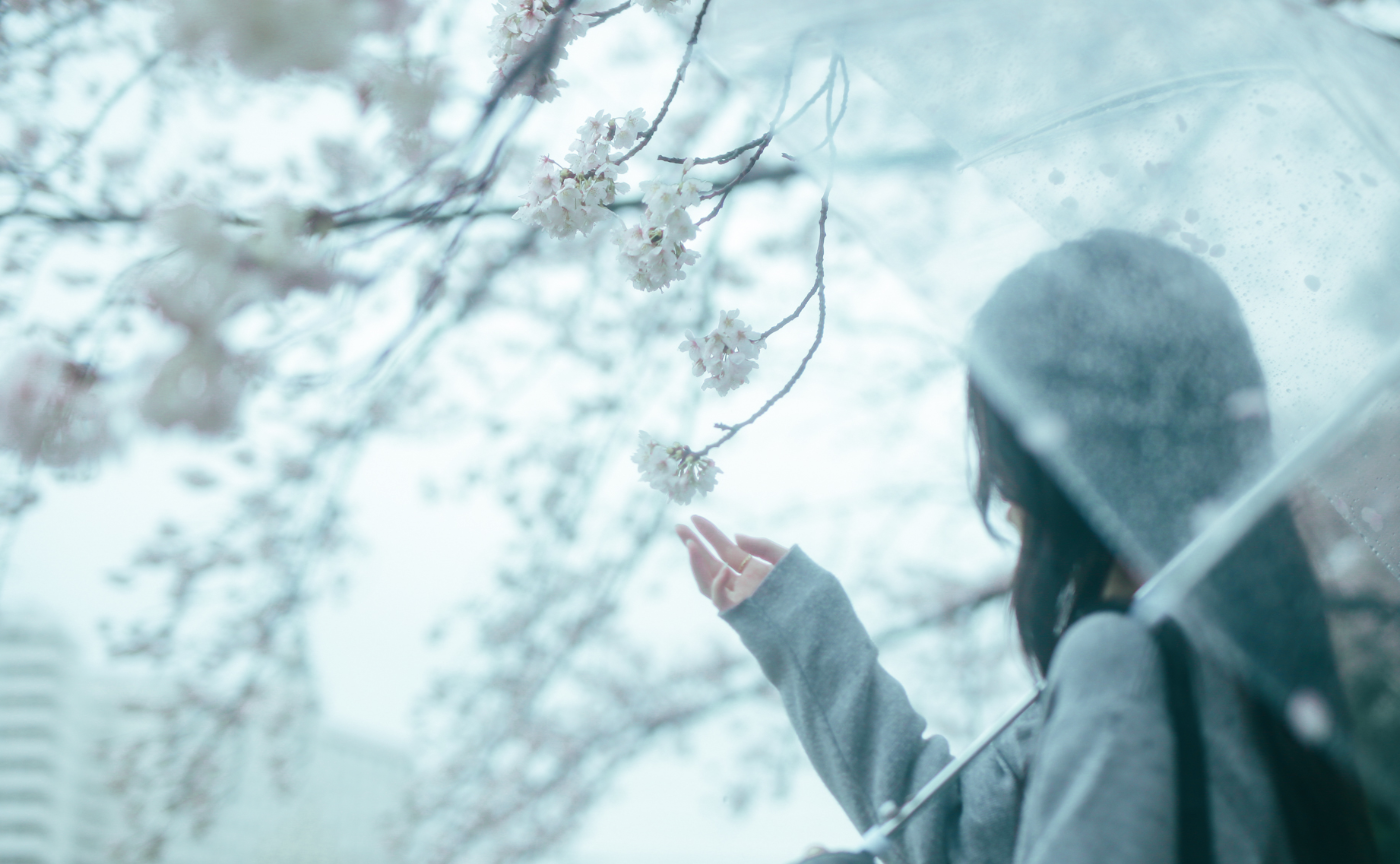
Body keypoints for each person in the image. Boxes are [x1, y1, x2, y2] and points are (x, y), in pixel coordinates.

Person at [675, 231, 1379, 864]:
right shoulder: (1253, 651)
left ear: (1075, 456)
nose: (1003, 496)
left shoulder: (1126, 665)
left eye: (1006, 442)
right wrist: (799, 624)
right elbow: (953, 838)